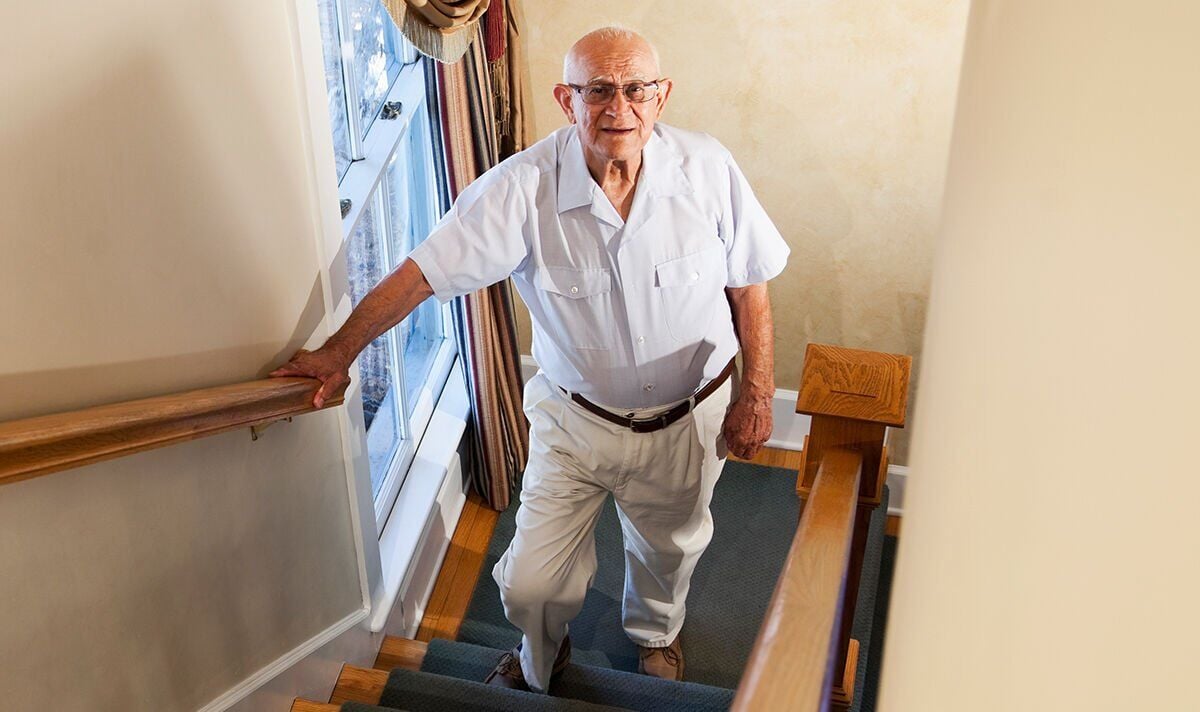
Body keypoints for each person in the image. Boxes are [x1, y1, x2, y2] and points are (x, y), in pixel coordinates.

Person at [272, 26, 788, 693]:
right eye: (597, 90)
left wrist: (757, 392)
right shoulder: (521, 187)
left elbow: (750, 287)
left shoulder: (708, 168)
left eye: (636, 89)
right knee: (530, 584)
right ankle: (540, 658)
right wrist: (338, 352)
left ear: (662, 97)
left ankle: (656, 634)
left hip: (689, 418)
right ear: (566, 99)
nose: (619, 108)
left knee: (670, 551)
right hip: (576, 423)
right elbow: (422, 274)